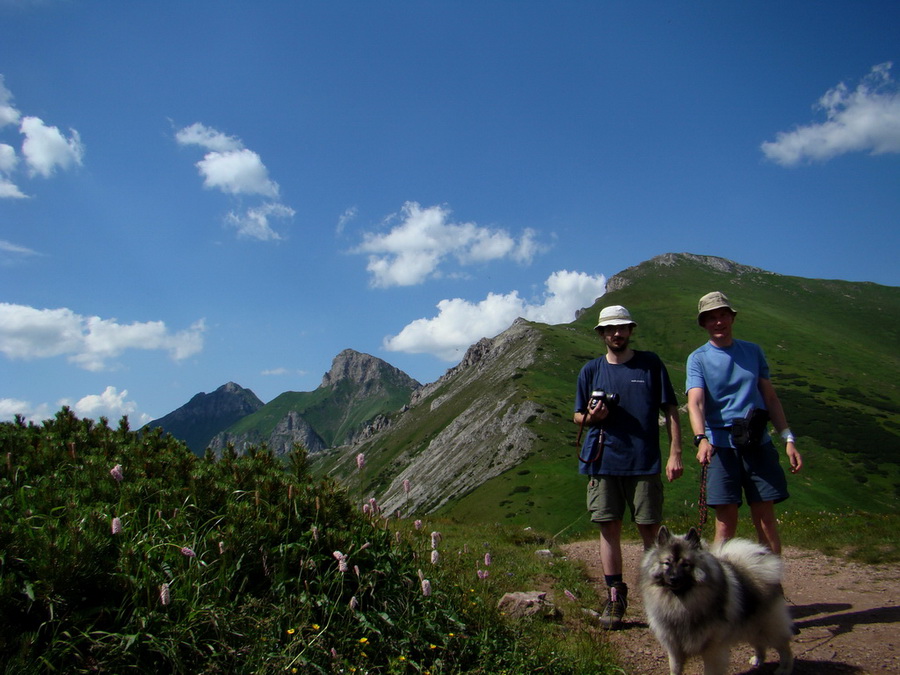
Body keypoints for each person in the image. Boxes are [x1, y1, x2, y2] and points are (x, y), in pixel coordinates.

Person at [574, 305, 683, 629]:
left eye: (621, 328)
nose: (616, 334)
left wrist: (676, 452)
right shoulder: (590, 370)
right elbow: (577, 415)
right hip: (602, 459)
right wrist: (593, 418)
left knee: (651, 529)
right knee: (609, 528)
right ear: (601, 334)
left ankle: (661, 599)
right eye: (610, 329)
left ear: (630, 330)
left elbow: (671, 409)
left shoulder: (650, 364)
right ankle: (614, 597)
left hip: (643, 459)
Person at [686, 291, 802, 555]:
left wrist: (788, 439)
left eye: (723, 315)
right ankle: (723, 589)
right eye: (711, 318)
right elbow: (696, 402)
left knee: (766, 519)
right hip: (721, 446)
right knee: (725, 523)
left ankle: (772, 587)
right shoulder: (698, 358)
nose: (718, 322)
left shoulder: (753, 352)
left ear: (732, 318)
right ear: (703, 323)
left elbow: (770, 398)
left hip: (757, 442)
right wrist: (700, 438)